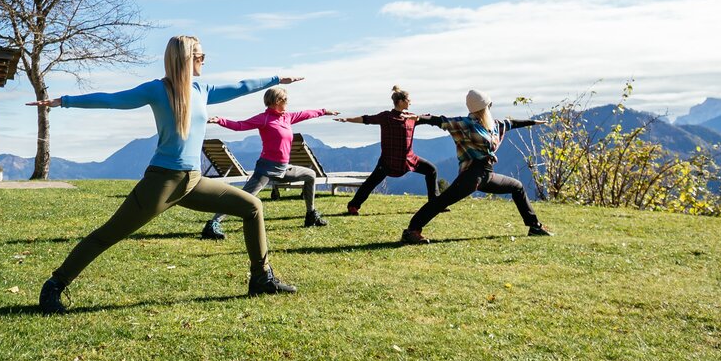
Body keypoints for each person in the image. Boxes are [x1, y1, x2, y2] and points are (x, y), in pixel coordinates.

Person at [30, 35, 301, 315]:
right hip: (162, 182)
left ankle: (261, 278)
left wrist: (277, 78)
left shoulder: (202, 89)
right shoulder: (157, 90)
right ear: (184, 58)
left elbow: (242, 86)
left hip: (193, 180)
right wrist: (65, 101)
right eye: (199, 55)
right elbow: (113, 100)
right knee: (109, 234)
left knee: (252, 206)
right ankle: (54, 285)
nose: (204, 59)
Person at [400, 89, 551, 243]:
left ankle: (534, 226)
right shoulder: (465, 124)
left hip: (487, 174)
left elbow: (511, 123)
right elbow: (440, 120)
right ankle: (412, 231)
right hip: (471, 175)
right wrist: (419, 118)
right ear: (484, 107)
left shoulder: (493, 125)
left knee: (517, 187)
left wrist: (533, 122)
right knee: (442, 201)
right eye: (489, 105)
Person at [199, 86, 335, 239]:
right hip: (266, 169)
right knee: (242, 197)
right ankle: (212, 225)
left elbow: (306, 114)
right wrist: (220, 120)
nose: (287, 104)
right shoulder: (263, 118)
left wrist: (323, 111)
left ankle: (311, 216)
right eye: (286, 101)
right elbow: (240, 125)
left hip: (284, 169)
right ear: (278, 101)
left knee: (310, 175)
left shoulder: (287, 117)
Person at [335, 85, 440, 216]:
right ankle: (353, 206)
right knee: (370, 183)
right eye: (408, 100)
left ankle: (435, 204)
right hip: (388, 161)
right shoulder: (386, 117)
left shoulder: (411, 117)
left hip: (409, 159)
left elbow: (427, 118)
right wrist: (347, 119)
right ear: (401, 101)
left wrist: (442, 121)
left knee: (431, 170)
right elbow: (366, 119)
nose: (411, 102)